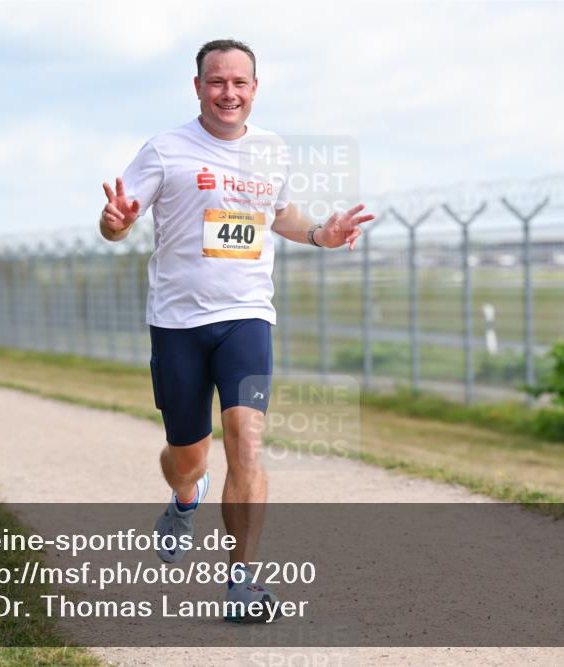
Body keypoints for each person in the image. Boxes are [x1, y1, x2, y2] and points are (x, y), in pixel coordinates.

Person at [99, 39, 372, 621]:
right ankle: (183, 498)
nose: (229, 93)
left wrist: (321, 232)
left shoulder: (271, 150)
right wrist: (115, 222)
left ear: (255, 88)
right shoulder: (166, 150)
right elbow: (119, 219)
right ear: (197, 86)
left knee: (247, 443)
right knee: (188, 456)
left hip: (247, 317)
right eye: (217, 82)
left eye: (240, 83)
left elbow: (278, 216)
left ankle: (242, 582)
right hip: (178, 324)